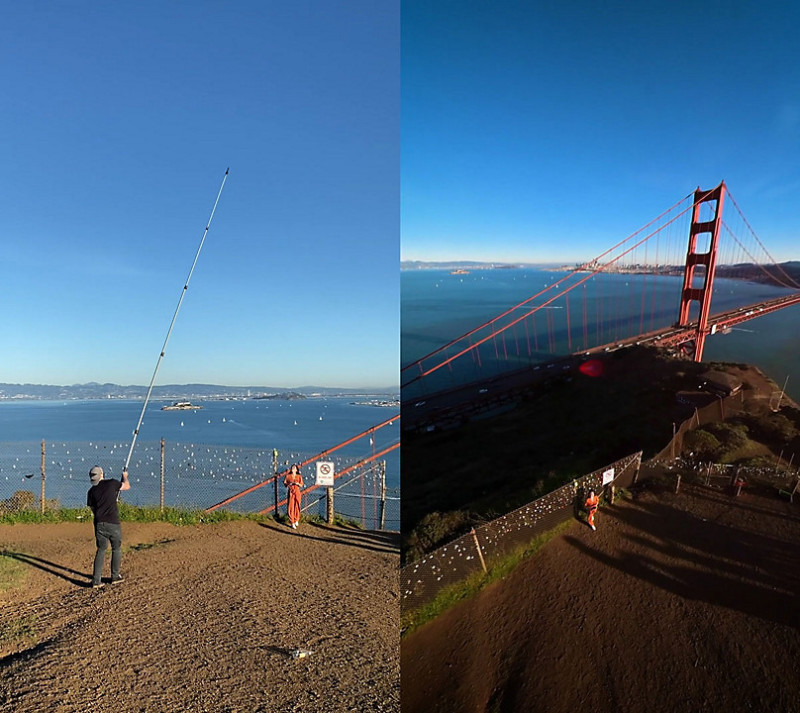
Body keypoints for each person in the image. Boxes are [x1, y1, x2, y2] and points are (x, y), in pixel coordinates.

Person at [87, 465, 130, 587]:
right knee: (116, 548)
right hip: (113, 523)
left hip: (99, 523)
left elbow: (93, 509)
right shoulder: (112, 483)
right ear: (102, 474)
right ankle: (115, 576)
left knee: (101, 550)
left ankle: (96, 580)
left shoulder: (91, 492)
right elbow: (126, 486)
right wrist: (125, 477)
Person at [283, 464, 304, 529]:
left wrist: (298, 484)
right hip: (291, 491)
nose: (293, 469)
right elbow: (285, 483)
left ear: (296, 469)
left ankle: (296, 519)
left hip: (297, 491)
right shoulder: (288, 476)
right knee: (291, 506)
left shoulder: (299, 476)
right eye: (292, 468)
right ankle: (292, 521)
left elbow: (301, 484)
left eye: (294, 468)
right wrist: (289, 484)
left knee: (297, 505)